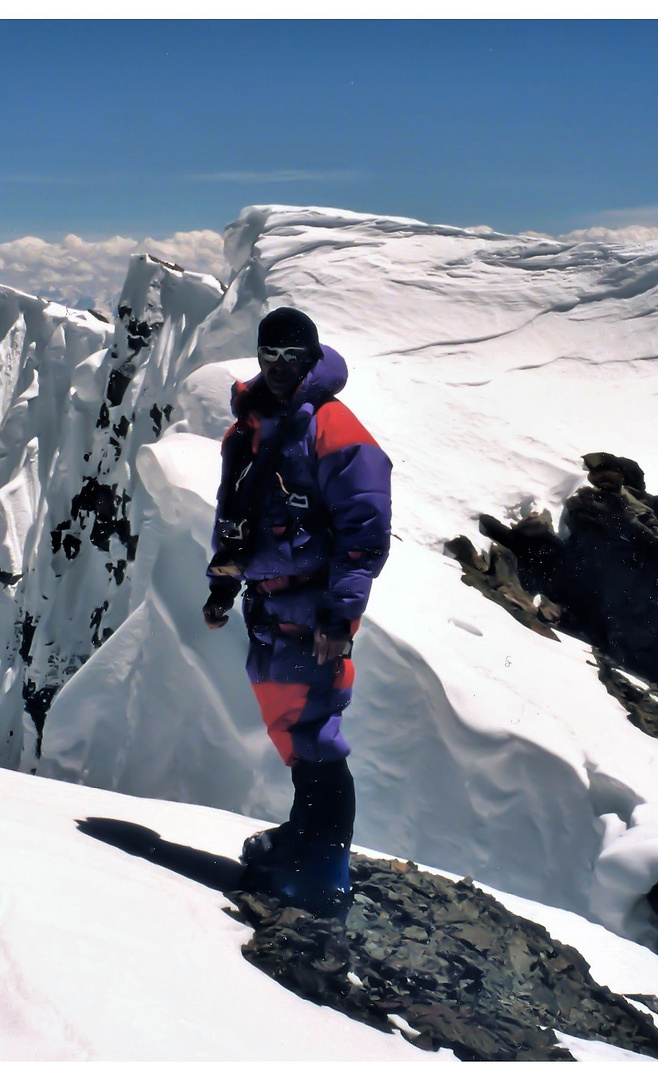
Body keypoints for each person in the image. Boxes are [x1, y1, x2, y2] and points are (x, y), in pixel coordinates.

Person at [202, 306, 392, 916]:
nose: (281, 368)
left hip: (314, 611)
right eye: (270, 356)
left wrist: (341, 616)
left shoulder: (334, 428)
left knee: (315, 733)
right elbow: (235, 516)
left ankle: (325, 869)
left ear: (312, 358)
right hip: (269, 605)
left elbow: (366, 528)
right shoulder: (248, 431)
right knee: (293, 731)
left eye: (293, 357)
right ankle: (304, 836)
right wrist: (223, 587)